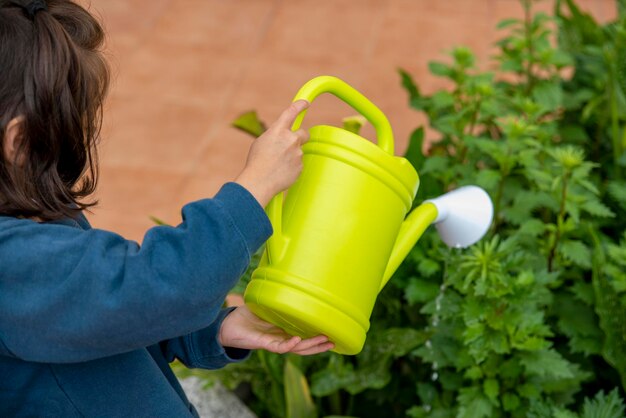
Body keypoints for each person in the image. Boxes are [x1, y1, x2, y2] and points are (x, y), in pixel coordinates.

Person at [0, 0, 333, 416]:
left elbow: (104, 317)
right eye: (81, 122)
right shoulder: (13, 265)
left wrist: (213, 330)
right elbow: (153, 284)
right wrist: (255, 186)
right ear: (21, 142)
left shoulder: (26, 210)